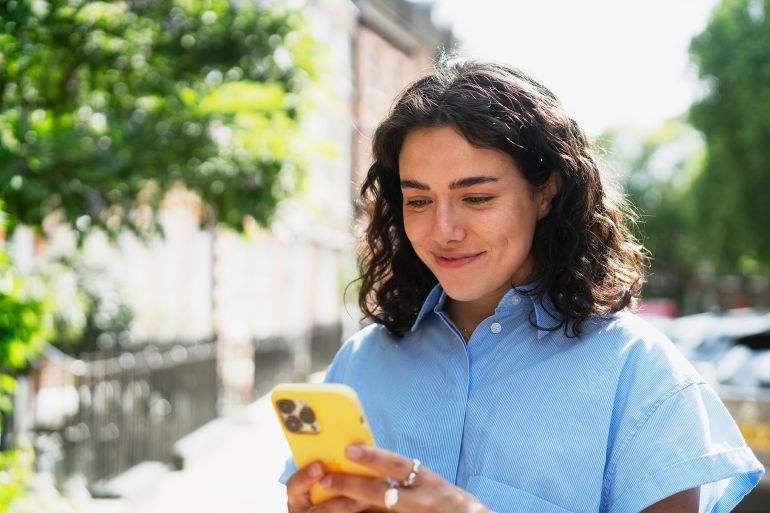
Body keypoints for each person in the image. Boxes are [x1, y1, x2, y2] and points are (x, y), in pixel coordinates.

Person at [279, 56, 764, 513]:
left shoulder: (637, 373)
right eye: (419, 201)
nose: (444, 230)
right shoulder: (361, 362)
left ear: (546, 192)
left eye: (476, 196)